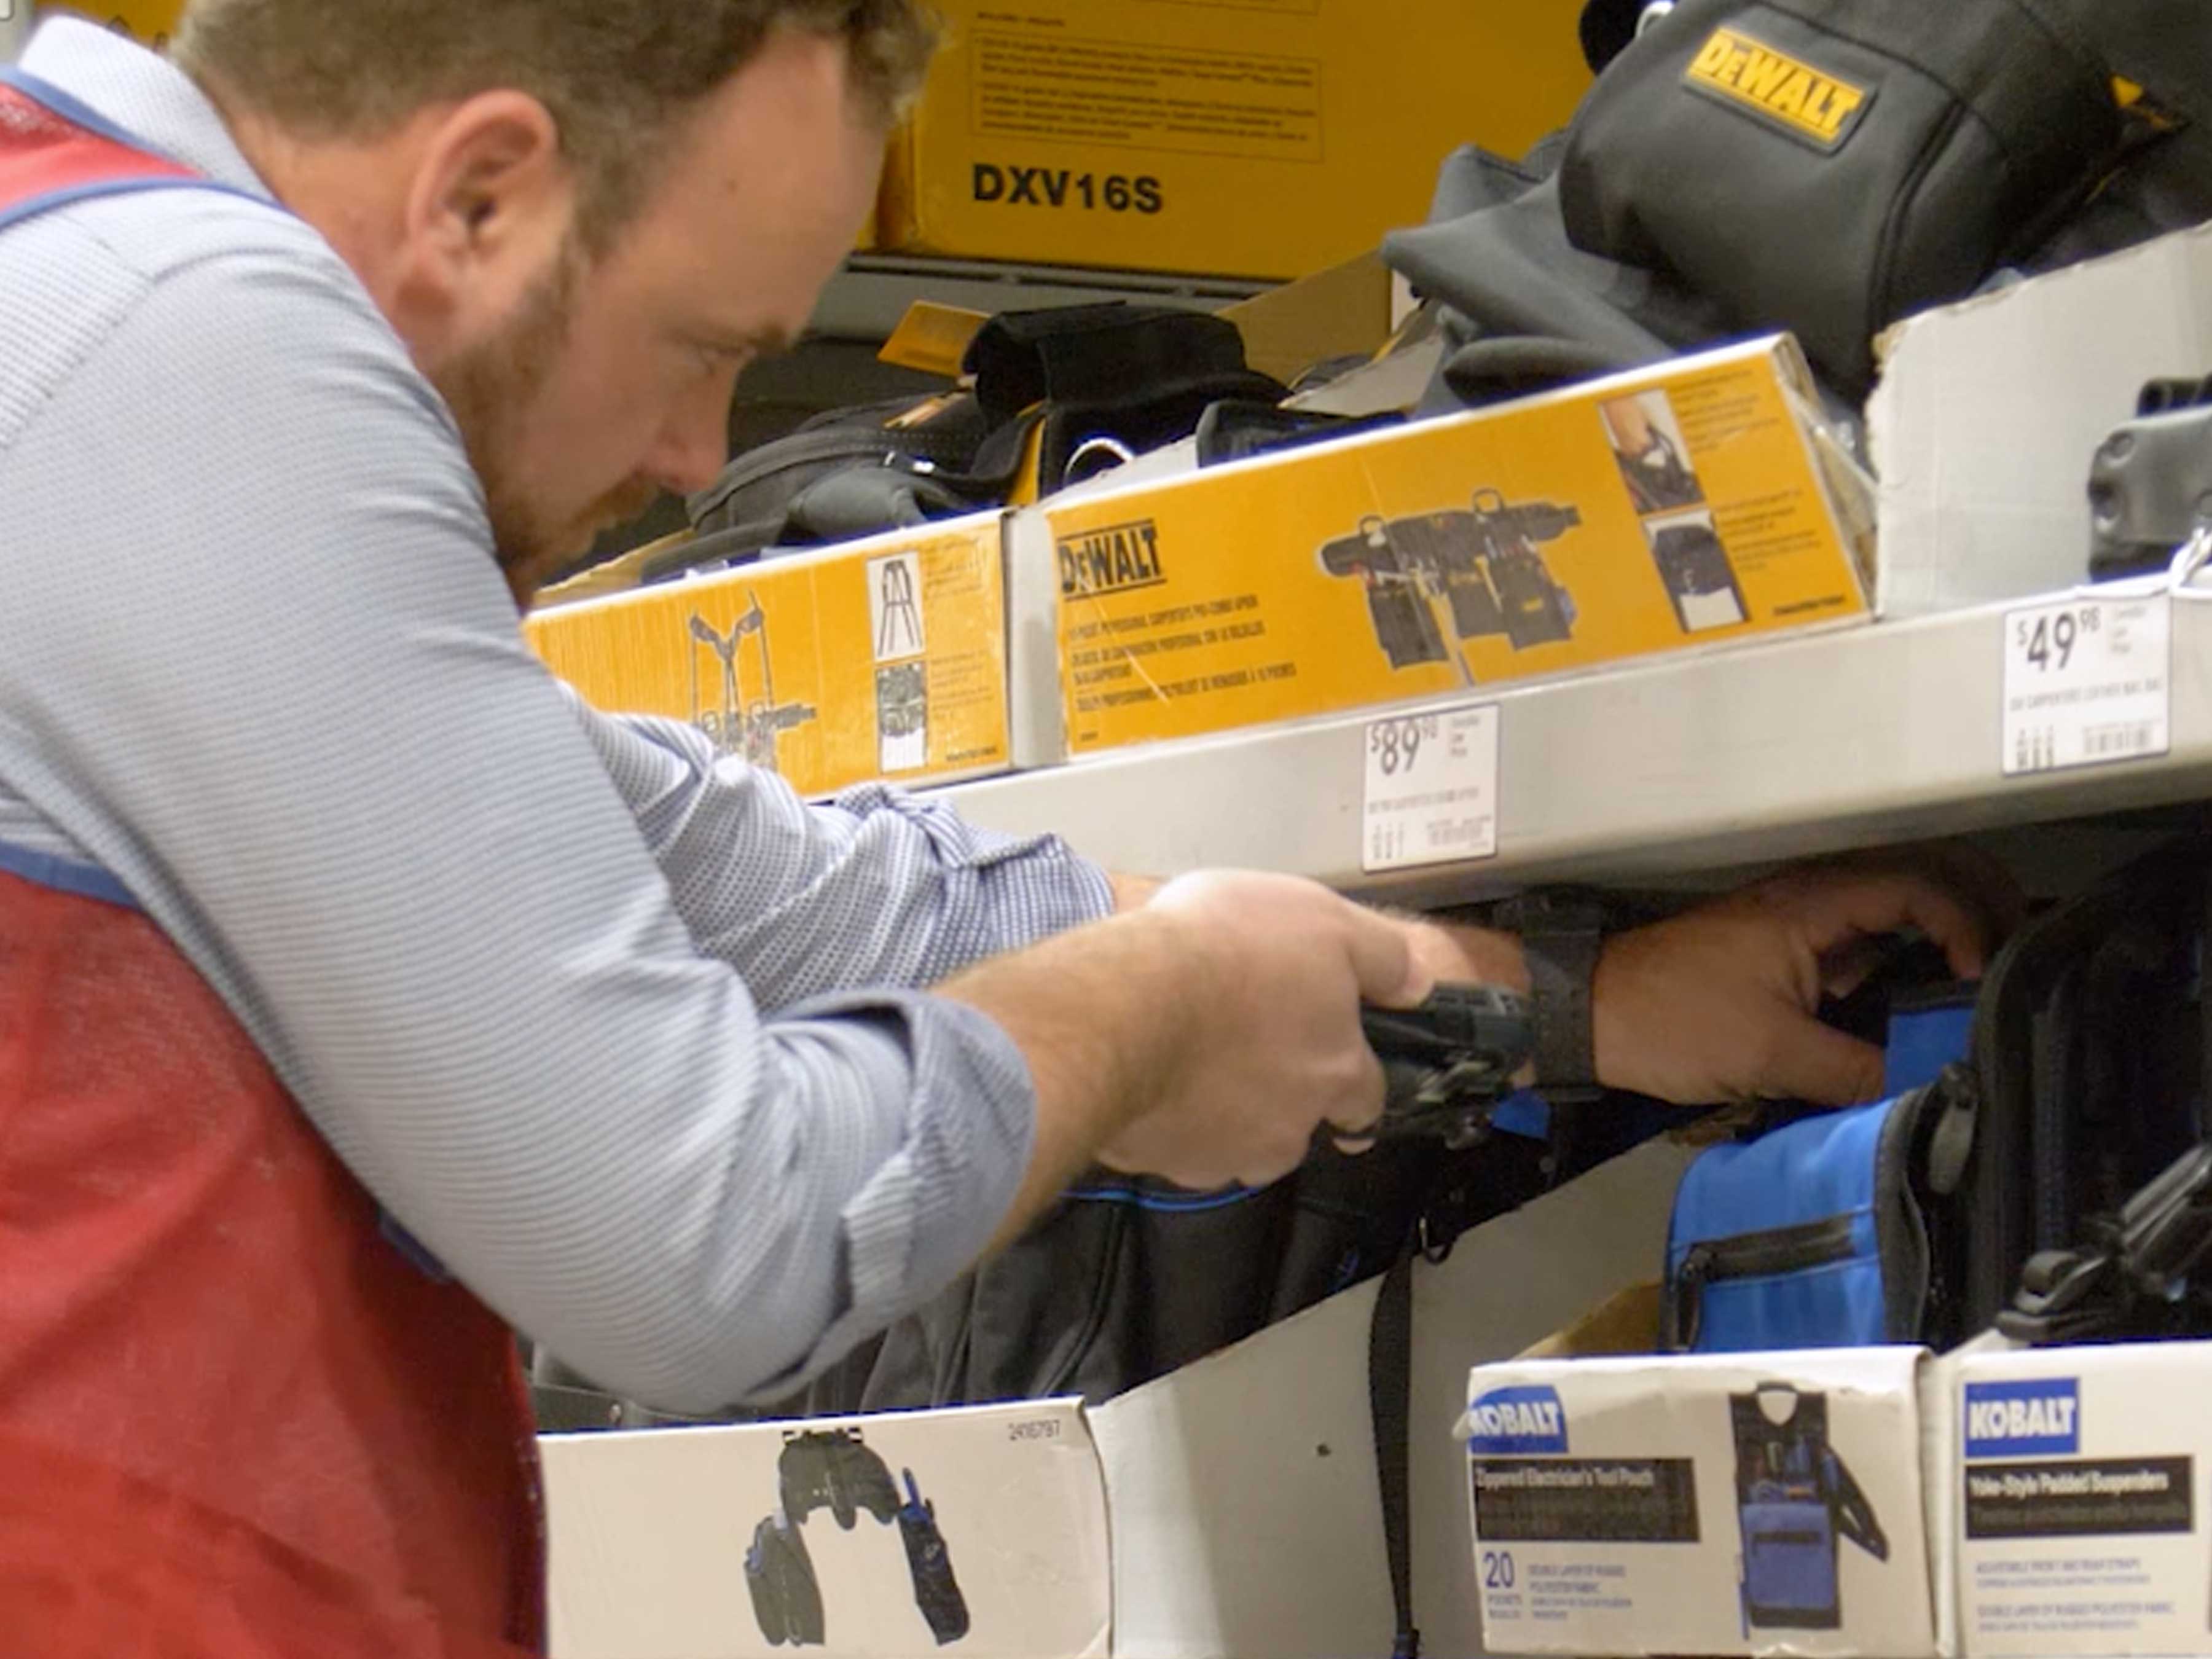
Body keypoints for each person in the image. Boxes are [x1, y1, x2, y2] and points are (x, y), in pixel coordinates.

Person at [0, 3, 1996, 1652]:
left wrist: (1557, 1004)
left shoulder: (101, 322)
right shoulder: (184, 339)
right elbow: (700, 1234)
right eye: (705, 347)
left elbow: (793, 900)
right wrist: (1159, 1002)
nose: (704, 454)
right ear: (481, 191)